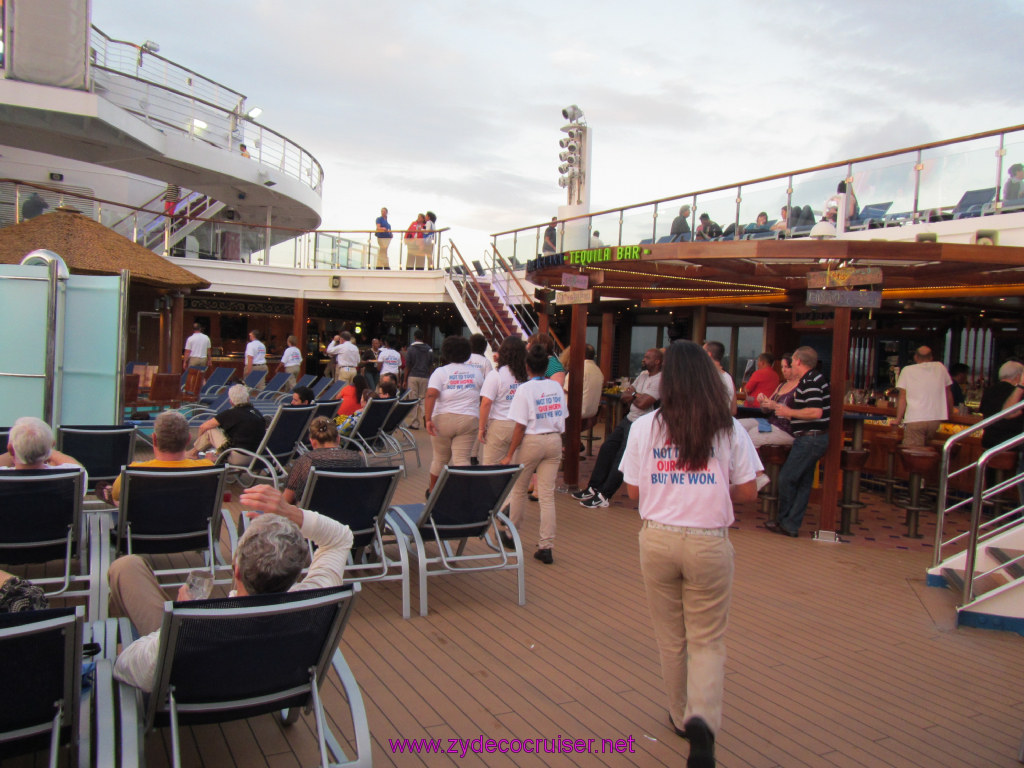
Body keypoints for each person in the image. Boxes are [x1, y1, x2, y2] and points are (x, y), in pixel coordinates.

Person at [620, 340, 759, 768]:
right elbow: (750, 493)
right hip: (709, 543)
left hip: (657, 539)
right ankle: (702, 720)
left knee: (670, 637)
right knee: (707, 640)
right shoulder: (728, 429)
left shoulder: (644, 427)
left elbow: (632, 491)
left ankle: (680, 716)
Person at [109, 483, 354, 693]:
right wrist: (290, 512)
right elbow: (340, 537)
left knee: (126, 567)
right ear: (293, 573)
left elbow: (124, 666)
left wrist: (182, 619)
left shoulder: (199, 626)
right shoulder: (312, 603)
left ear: (236, 570)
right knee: (128, 567)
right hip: (261, 675)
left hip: (190, 673)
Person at [499, 344, 566, 564]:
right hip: (554, 440)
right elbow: (562, 416)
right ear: (547, 366)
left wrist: (510, 454)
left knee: (519, 490)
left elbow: (519, 426)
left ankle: (511, 535)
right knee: (547, 495)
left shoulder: (525, 389)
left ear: (527, 366)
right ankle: (546, 546)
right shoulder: (556, 387)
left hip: (532, 440)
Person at [574, 348, 663, 509]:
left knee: (622, 457)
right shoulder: (642, 376)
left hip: (642, 424)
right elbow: (624, 395)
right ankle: (593, 487)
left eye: (647, 357)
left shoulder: (660, 380)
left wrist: (635, 395)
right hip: (628, 419)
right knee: (607, 448)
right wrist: (636, 395)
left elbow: (643, 403)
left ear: (657, 361)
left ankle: (605, 494)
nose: (644, 359)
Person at [763, 346, 830, 538]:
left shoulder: (810, 381)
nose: (790, 364)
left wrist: (788, 412)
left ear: (798, 361)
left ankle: (786, 521)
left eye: (792, 360)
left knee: (787, 478)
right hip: (812, 437)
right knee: (802, 482)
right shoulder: (814, 379)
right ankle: (790, 523)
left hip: (810, 438)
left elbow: (815, 412)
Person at [424, 335, 485, 496]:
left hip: (442, 420)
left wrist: (428, 418)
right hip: (468, 419)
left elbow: (431, 395)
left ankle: (433, 492)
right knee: (462, 459)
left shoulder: (441, 372)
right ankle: (462, 495)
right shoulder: (477, 373)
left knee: (439, 459)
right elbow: (480, 396)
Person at [109, 411, 213, 504]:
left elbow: (116, 495)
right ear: (188, 439)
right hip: (192, 525)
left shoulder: (133, 471)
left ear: (154, 439)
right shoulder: (208, 469)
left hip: (147, 524)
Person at [282, 417, 364, 504]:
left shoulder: (307, 460)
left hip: (315, 515)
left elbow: (287, 500)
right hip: (350, 513)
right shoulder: (356, 458)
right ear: (338, 439)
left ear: (312, 442)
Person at [479, 336, 528, 464]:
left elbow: (486, 403)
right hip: (521, 425)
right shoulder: (526, 375)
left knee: (491, 468)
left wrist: (481, 428)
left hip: (499, 425)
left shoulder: (497, 375)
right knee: (516, 468)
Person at [188, 383, 267, 460]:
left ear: (231, 401)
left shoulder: (230, 414)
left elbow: (203, 427)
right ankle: (195, 452)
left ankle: (194, 453)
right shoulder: (257, 413)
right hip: (257, 458)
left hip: (238, 457)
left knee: (210, 430)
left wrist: (199, 442)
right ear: (248, 399)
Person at [895, 346, 953, 446]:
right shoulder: (940, 367)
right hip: (934, 420)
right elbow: (948, 393)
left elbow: (902, 397)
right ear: (931, 358)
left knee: (912, 454)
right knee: (926, 451)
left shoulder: (907, 370)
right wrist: (950, 413)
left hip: (915, 418)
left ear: (915, 357)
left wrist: (898, 419)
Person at [1, 417, 87, 485]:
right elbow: (77, 466)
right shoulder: (73, 476)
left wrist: (18, 450)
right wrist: (43, 448)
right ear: (52, 445)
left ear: (10, 449)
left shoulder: (3, 478)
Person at [737, 354, 797, 448]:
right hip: (770, 422)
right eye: (782, 367)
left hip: (785, 429)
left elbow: (747, 389)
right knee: (737, 426)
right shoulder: (781, 385)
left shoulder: (799, 388)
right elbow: (765, 410)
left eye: (787, 367)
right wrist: (763, 401)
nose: (783, 370)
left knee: (750, 437)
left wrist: (775, 406)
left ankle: (753, 462)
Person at [979, 361, 1024, 451]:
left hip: (988, 442)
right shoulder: (1018, 394)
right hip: (1011, 445)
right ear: (1019, 377)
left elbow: (982, 411)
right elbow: (1010, 414)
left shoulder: (988, 391)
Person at [563, 344, 604, 424]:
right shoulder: (598, 371)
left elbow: (566, 391)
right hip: (591, 413)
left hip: (575, 412)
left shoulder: (578, 370)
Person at [404, 330, 434, 429]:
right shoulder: (429, 349)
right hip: (425, 376)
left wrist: (404, 379)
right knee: (423, 398)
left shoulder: (411, 349)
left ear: (414, 337)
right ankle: (425, 414)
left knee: (413, 399)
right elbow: (430, 365)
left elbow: (408, 365)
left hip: (413, 375)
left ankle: (415, 423)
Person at [703, 341, 737, 415]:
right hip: (725, 423)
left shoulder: (704, 376)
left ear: (708, 354)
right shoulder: (729, 378)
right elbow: (733, 410)